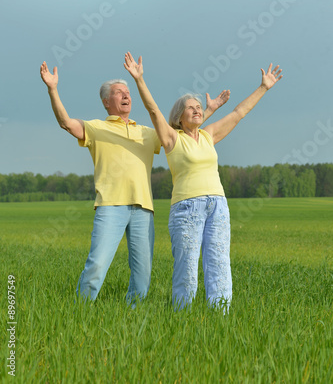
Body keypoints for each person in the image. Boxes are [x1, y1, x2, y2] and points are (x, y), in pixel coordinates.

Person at [40, 61, 228, 305]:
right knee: (96, 265)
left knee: (142, 276)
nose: (126, 95)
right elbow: (66, 122)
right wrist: (52, 89)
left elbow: (177, 131)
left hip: (143, 209)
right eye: (119, 93)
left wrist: (208, 110)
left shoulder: (146, 133)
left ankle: (131, 317)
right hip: (110, 206)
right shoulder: (96, 128)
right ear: (106, 101)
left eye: (127, 93)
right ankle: (80, 311)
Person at [124, 52, 283, 310]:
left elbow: (238, 113)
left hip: (218, 205)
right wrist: (140, 80)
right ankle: (182, 315)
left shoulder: (208, 135)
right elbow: (153, 110)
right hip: (187, 208)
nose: (197, 110)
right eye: (191, 107)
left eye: (200, 107)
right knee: (187, 268)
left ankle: (220, 317)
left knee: (219, 263)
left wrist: (263, 88)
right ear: (179, 116)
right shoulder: (172, 139)